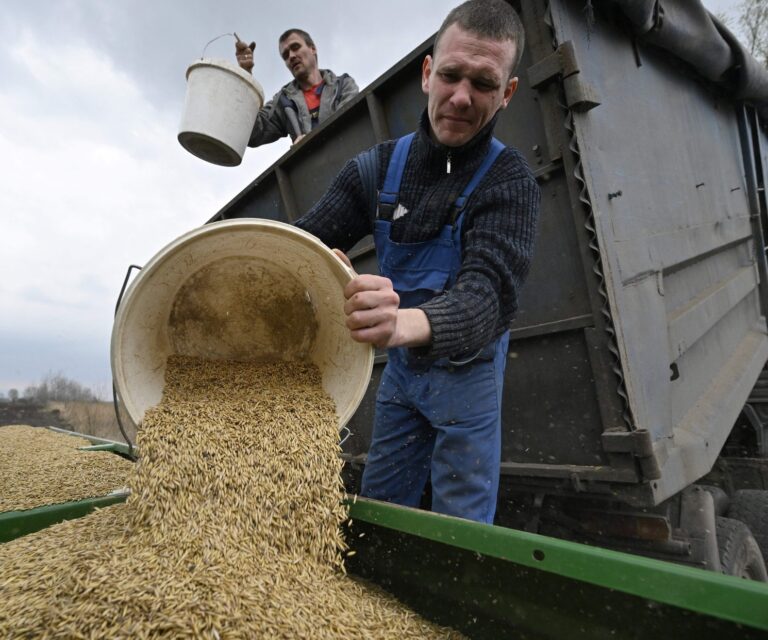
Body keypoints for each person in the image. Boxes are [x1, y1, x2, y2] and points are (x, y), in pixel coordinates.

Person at [295, 0, 539, 524]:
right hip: (403, 382)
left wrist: (399, 322)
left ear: (507, 94)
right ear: (428, 74)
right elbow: (295, 245)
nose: (461, 97)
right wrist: (317, 264)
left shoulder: (510, 181)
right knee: (383, 516)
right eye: (451, 75)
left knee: (460, 536)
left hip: (470, 384)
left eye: (483, 83)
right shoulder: (377, 170)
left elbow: (487, 298)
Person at [235, 29, 359, 146]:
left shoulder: (343, 85)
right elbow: (252, 134)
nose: (291, 56)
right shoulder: (283, 101)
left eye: (295, 47)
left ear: (313, 48)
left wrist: (309, 141)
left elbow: (349, 125)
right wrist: (245, 74)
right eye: (285, 55)